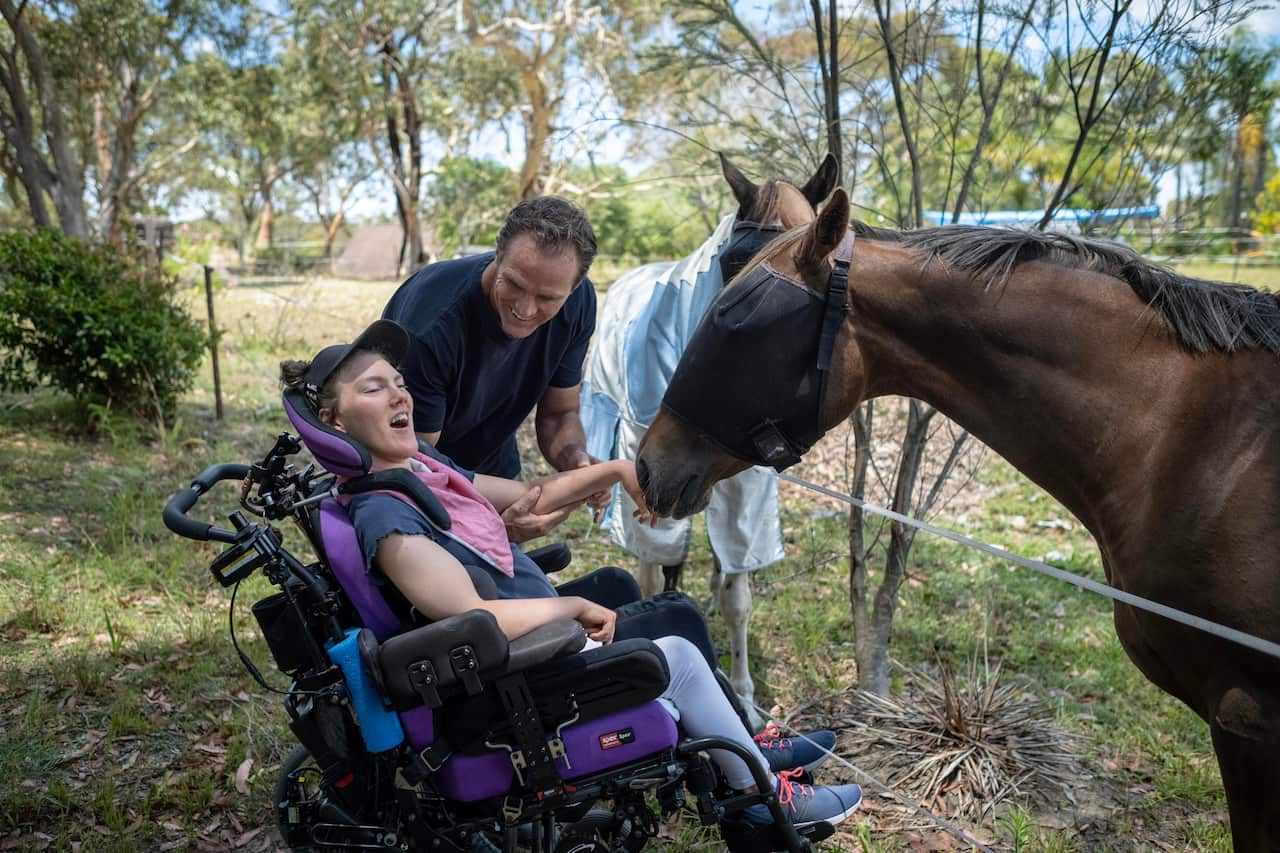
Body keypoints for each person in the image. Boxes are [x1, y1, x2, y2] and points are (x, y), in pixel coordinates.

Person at [279, 320, 863, 831]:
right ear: (331, 421)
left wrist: (614, 469)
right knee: (677, 656)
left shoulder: (423, 471)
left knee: (673, 608)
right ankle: (761, 803)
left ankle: (742, 751)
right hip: (505, 673)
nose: (398, 393)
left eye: (398, 381)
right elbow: (470, 619)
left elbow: (528, 494)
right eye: (373, 387)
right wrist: (567, 610)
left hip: (524, 644)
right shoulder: (387, 517)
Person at [382, 196, 603, 545]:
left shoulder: (578, 304)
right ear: (497, 253)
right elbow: (413, 462)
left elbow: (560, 415)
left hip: (493, 465)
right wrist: (493, 520)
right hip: (410, 483)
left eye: (547, 298)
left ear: (574, 287)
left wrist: (574, 461)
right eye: (514, 283)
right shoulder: (431, 326)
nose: (526, 308)